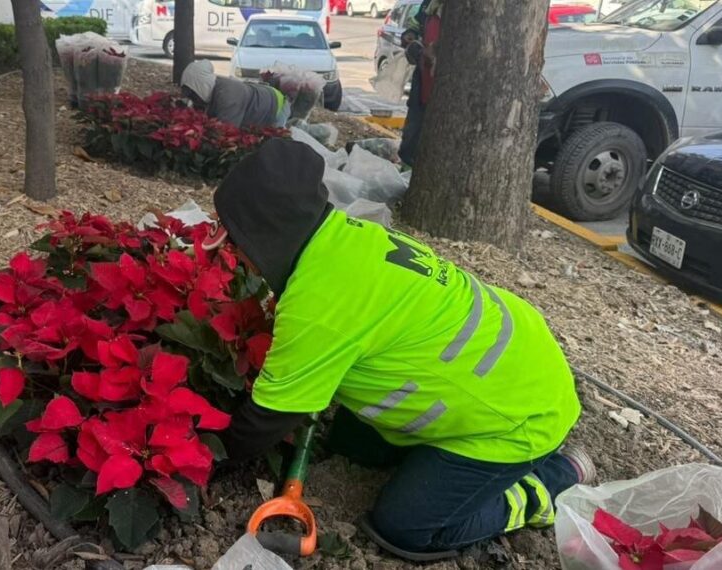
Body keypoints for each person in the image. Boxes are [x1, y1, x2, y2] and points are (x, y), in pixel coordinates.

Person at [206, 138, 592, 561]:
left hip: (519, 417)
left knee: (402, 527)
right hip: (518, 361)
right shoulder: (344, 238)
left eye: (233, 239)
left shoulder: (318, 304)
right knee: (353, 447)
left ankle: (547, 483)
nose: (233, 253)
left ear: (263, 233)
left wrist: (204, 458)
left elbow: (266, 419)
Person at [179, 60, 291, 129]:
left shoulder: (228, 97)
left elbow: (227, 132)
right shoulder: (214, 88)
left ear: (201, 87)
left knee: (272, 149)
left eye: (193, 95)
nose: (193, 100)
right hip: (264, 102)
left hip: (276, 108)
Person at [397, 0, 441, 167]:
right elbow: (416, 24)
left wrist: (434, 50)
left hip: (442, 93)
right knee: (411, 138)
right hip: (422, 85)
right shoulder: (429, 4)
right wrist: (410, 35)